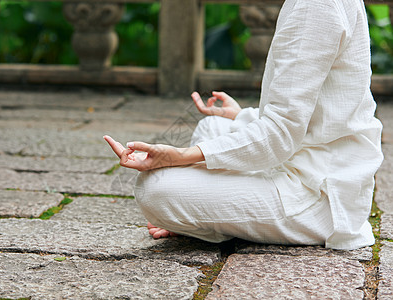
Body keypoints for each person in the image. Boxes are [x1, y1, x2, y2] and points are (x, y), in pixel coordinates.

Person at [104, 0, 383, 250]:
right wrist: (243, 117)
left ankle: (207, 218)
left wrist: (180, 157)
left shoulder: (315, 6)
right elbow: (322, 107)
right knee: (212, 126)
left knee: (153, 189)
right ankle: (206, 211)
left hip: (319, 194)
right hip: (310, 157)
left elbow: (280, 134)